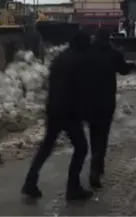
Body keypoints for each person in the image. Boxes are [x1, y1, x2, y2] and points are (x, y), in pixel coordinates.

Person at [21, 30, 94, 202]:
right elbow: (80, 90)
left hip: (54, 109)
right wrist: (86, 112)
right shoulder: (80, 61)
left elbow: (52, 84)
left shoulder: (61, 58)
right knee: (81, 147)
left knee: (47, 146)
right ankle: (73, 187)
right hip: (69, 111)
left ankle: (30, 181)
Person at [86, 28, 130, 189]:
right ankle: (96, 169)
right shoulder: (114, 54)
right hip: (106, 101)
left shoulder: (87, 53)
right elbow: (125, 71)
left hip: (90, 101)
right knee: (102, 136)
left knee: (93, 134)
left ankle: (97, 166)